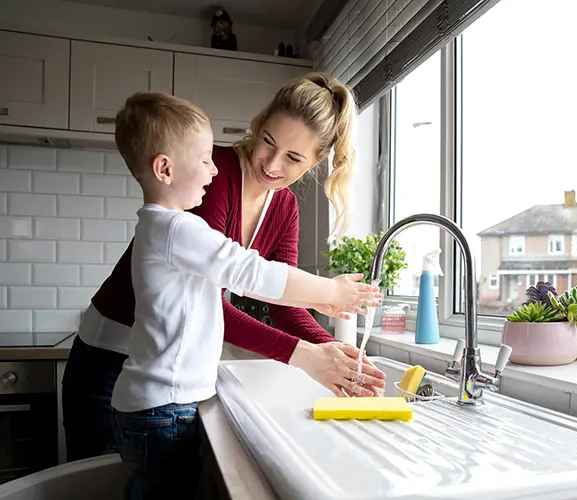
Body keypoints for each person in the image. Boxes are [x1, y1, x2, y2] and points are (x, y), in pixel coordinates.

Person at [61, 72, 387, 462]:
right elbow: (214, 302)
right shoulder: (213, 173)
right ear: (260, 123)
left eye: (294, 157)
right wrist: (308, 346)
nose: (272, 163)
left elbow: (281, 303)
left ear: (317, 162)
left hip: (164, 368)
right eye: (269, 141)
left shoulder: (284, 208)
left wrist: (337, 354)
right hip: (112, 355)